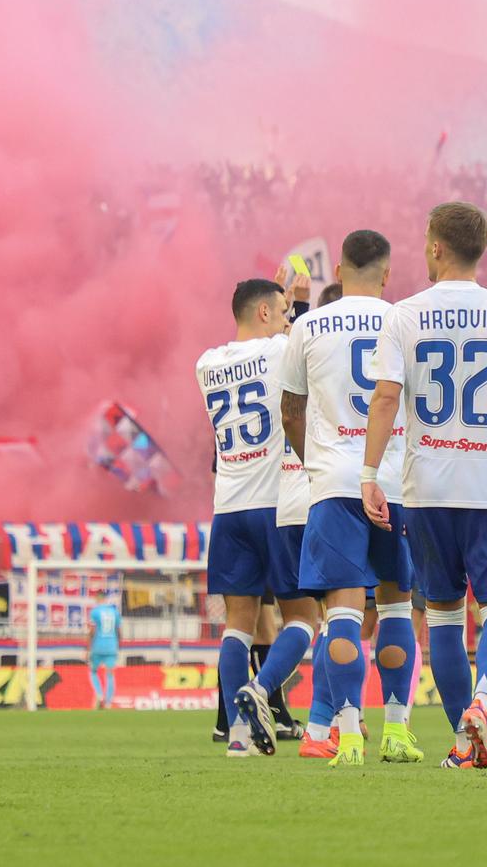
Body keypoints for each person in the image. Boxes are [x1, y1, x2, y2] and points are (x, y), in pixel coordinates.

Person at [361, 201, 487, 769]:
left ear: (437, 247)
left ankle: (461, 740)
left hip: (424, 490)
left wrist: (371, 474)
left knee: (443, 614)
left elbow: (387, 398)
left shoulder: (404, 314)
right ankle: (484, 703)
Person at [282, 228, 423, 767]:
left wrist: (316, 462)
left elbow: (291, 408)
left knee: (341, 610)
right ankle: (396, 731)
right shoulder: (405, 320)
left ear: (336, 272)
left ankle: (347, 733)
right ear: (387, 275)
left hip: (335, 484)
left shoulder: (310, 325)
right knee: (394, 606)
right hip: (395, 479)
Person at [197, 277, 322, 758]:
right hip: (278, 504)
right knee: (302, 619)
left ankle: (238, 738)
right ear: (267, 314)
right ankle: (261, 689)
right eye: (283, 311)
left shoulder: (206, 364)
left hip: (229, 507)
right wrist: (304, 302)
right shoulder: (278, 352)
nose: (290, 318)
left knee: (237, 625)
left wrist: (284, 301)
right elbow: (306, 340)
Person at [87, 589, 121, 710]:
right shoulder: (114, 612)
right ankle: (108, 703)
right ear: (106, 599)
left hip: (98, 645)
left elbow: (92, 631)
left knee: (93, 671)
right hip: (112, 645)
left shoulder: (95, 612)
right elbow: (119, 630)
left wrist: (87, 648)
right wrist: (118, 645)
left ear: (97, 599)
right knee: (110, 674)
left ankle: (100, 695)